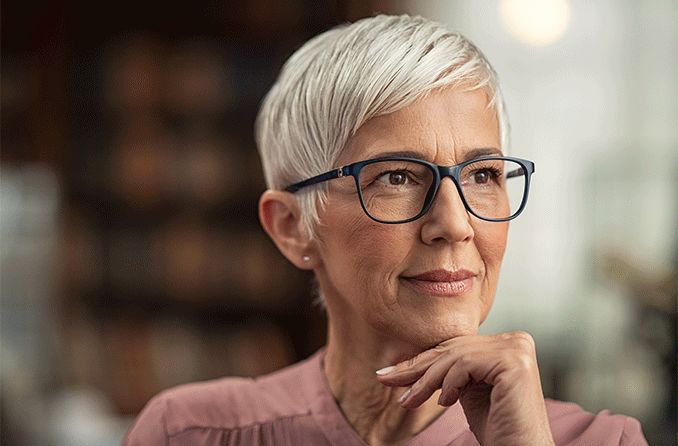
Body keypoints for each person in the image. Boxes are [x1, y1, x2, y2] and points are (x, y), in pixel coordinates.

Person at [123, 14, 648, 445]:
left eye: (483, 175)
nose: (454, 224)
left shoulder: (604, 441)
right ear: (291, 228)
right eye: (396, 177)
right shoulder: (189, 434)